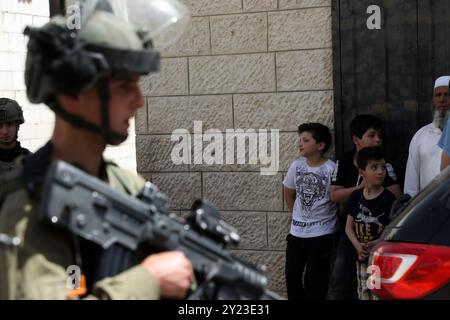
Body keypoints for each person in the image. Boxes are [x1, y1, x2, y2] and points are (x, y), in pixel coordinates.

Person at [0, 0, 194, 299]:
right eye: (125, 86)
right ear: (74, 93)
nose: (139, 100)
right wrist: (149, 282)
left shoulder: (128, 187)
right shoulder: (27, 208)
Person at [327, 114, 401, 300]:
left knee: (375, 287)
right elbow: (335, 194)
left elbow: (396, 197)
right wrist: (360, 189)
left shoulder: (384, 164)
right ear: (356, 140)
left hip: (378, 236)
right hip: (350, 230)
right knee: (340, 277)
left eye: (380, 136)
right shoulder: (344, 161)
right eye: (372, 135)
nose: (377, 140)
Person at [283, 123, 338, 300]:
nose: (300, 144)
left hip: (322, 233)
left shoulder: (331, 168)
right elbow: (288, 192)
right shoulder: (296, 166)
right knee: (292, 276)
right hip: (297, 233)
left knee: (315, 281)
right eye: (300, 140)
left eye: (306, 140)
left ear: (320, 145)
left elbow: (337, 199)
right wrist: (296, 216)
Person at [345, 146, 396, 300]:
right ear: (361, 172)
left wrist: (379, 242)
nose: (380, 172)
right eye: (374, 167)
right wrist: (357, 245)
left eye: (383, 167)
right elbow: (348, 227)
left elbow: (392, 230)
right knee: (363, 293)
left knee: (378, 295)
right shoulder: (355, 197)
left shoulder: (388, 199)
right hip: (361, 259)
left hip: (380, 261)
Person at [404, 76, 450, 196]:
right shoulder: (420, 136)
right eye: (438, 95)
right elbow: (411, 186)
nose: (442, 99)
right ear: (434, 100)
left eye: (447, 94)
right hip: (429, 210)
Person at [0, 98, 31, 174]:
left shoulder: (30, 160)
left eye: (9, 124)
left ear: (17, 126)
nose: (5, 132)